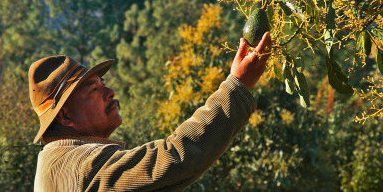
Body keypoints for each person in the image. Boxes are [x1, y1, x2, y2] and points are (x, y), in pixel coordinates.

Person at [29, 32, 272, 191]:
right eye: (93, 89)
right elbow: (175, 158)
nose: (110, 92)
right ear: (66, 116)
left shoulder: (56, 163)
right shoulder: (81, 166)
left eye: (103, 84)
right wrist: (237, 85)